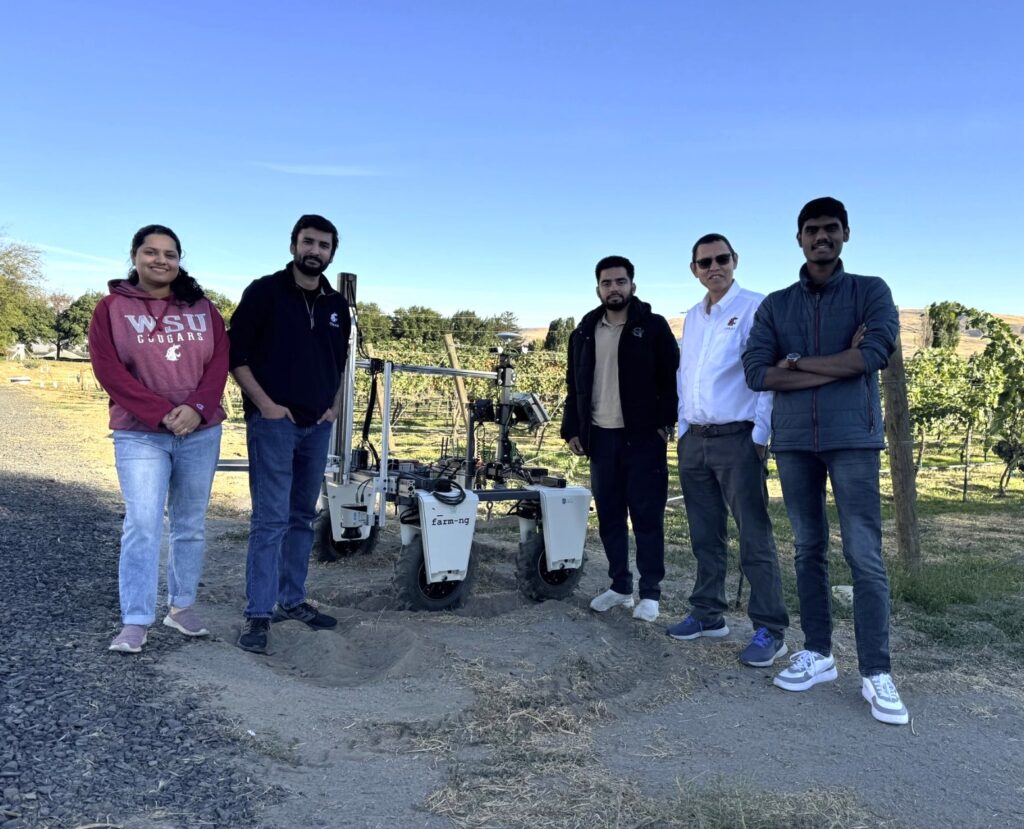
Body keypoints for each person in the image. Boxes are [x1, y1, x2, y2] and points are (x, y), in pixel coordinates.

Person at [742, 197, 908, 725]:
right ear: (799, 238)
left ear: (845, 235)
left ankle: (876, 671)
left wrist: (795, 363)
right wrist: (838, 366)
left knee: (864, 553)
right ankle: (818, 652)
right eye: (812, 230)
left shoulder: (870, 291)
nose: (822, 237)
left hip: (853, 440)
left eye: (831, 229)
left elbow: (872, 355)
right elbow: (755, 372)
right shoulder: (776, 304)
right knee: (807, 548)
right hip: (793, 442)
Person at [89, 224, 229, 653]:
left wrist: (197, 409)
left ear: (179, 260)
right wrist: (161, 413)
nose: (161, 260)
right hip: (140, 435)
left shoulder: (204, 309)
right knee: (143, 524)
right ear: (134, 257)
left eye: (170, 254)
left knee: (189, 525)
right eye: (151, 252)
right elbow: (108, 370)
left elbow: (218, 363)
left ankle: (181, 606)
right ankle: (135, 618)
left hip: (200, 432)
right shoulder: (110, 308)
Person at [229, 215, 351, 654]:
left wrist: (334, 406)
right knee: (270, 520)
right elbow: (236, 355)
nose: (314, 251)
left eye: (323, 245)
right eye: (308, 242)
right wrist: (265, 405)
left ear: (332, 252)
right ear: (293, 244)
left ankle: (292, 600)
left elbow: (337, 364)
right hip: (274, 425)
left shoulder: (337, 307)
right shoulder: (264, 293)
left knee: (302, 516)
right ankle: (258, 614)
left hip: (316, 428)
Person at [666, 234, 789, 667]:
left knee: (754, 535)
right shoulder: (693, 317)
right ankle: (708, 613)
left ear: (735, 261)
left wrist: (760, 435)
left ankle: (770, 629)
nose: (713, 267)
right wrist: (683, 428)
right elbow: (687, 375)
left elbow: (765, 373)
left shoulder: (755, 307)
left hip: (738, 439)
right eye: (704, 262)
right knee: (704, 532)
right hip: (695, 440)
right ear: (694, 269)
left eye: (721, 259)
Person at [562, 255, 678, 623]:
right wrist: (572, 429)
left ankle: (651, 593)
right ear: (598, 288)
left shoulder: (654, 327)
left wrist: (665, 423)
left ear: (633, 286)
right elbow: (573, 385)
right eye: (607, 283)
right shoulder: (583, 332)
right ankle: (620, 586)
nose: (614, 288)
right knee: (610, 516)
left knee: (646, 516)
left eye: (620, 281)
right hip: (601, 439)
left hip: (643, 439)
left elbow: (672, 379)